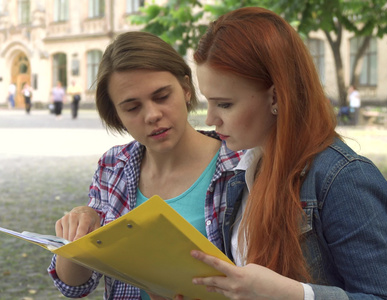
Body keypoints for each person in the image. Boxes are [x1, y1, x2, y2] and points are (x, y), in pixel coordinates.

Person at [188, 7, 387, 300]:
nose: (210, 119)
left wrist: (294, 294)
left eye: (225, 104)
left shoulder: (344, 179)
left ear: (277, 96)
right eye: (208, 103)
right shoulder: (240, 176)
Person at [47, 31, 242, 299]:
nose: (152, 115)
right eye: (132, 107)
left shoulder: (239, 165)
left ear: (186, 88)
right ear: (116, 114)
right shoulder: (113, 166)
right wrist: (76, 237)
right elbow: (75, 285)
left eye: (162, 96)